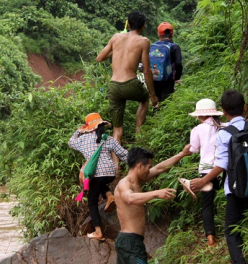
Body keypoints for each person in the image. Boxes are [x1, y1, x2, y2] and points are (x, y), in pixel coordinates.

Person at [190, 90, 248, 263]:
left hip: (236, 188)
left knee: (232, 230)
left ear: (224, 112)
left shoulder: (224, 134)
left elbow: (222, 164)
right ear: (245, 107)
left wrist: (203, 180)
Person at [114, 145, 192, 264]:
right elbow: (129, 198)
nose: (149, 170)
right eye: (148, 167)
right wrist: (156, 193)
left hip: (131, 241)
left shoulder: (138, 181)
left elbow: (160, 168)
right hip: (130, 242)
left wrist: (182, 154)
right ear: (140, 165)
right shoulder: (124, 184)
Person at [96, 10, 158, 150]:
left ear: (128, 24)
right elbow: (146, 70)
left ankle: (116, 168)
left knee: (117, 130)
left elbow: (100, 58)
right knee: (145, 98)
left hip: (114, 86)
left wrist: (116, 48)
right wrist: (153, 95)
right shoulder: (143, 41)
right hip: (131, 83)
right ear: (143, 26)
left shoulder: (116, 37)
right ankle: (138, 136)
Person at [68, 113, 128, 241]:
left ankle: (98, 232)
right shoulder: (108, 138)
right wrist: (136, 164)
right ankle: (109, 196)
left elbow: (71, 142)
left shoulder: (82, 140)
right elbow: (123, 154)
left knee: (92, 202)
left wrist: (79, 131)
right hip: (110, 173)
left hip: (96, 174)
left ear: (89, 127)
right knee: (100, 182)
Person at [187, 98, 225, 246]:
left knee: (207, 204)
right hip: (223, 168)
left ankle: (210, 237)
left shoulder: (197, 130)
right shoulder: (225, 127)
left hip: (206, 172)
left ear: (200, 116)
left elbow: (194, 149)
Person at [153, 22, 183, 103]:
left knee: (157, 99)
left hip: (154, 77)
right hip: (168, 79)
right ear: (172, 34)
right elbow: (178, 63)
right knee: (166, 101)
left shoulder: (153, 46)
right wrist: (177, 77)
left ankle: (155, 112)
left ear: (159, 35)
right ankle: (162, 114)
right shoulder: (175, 47)